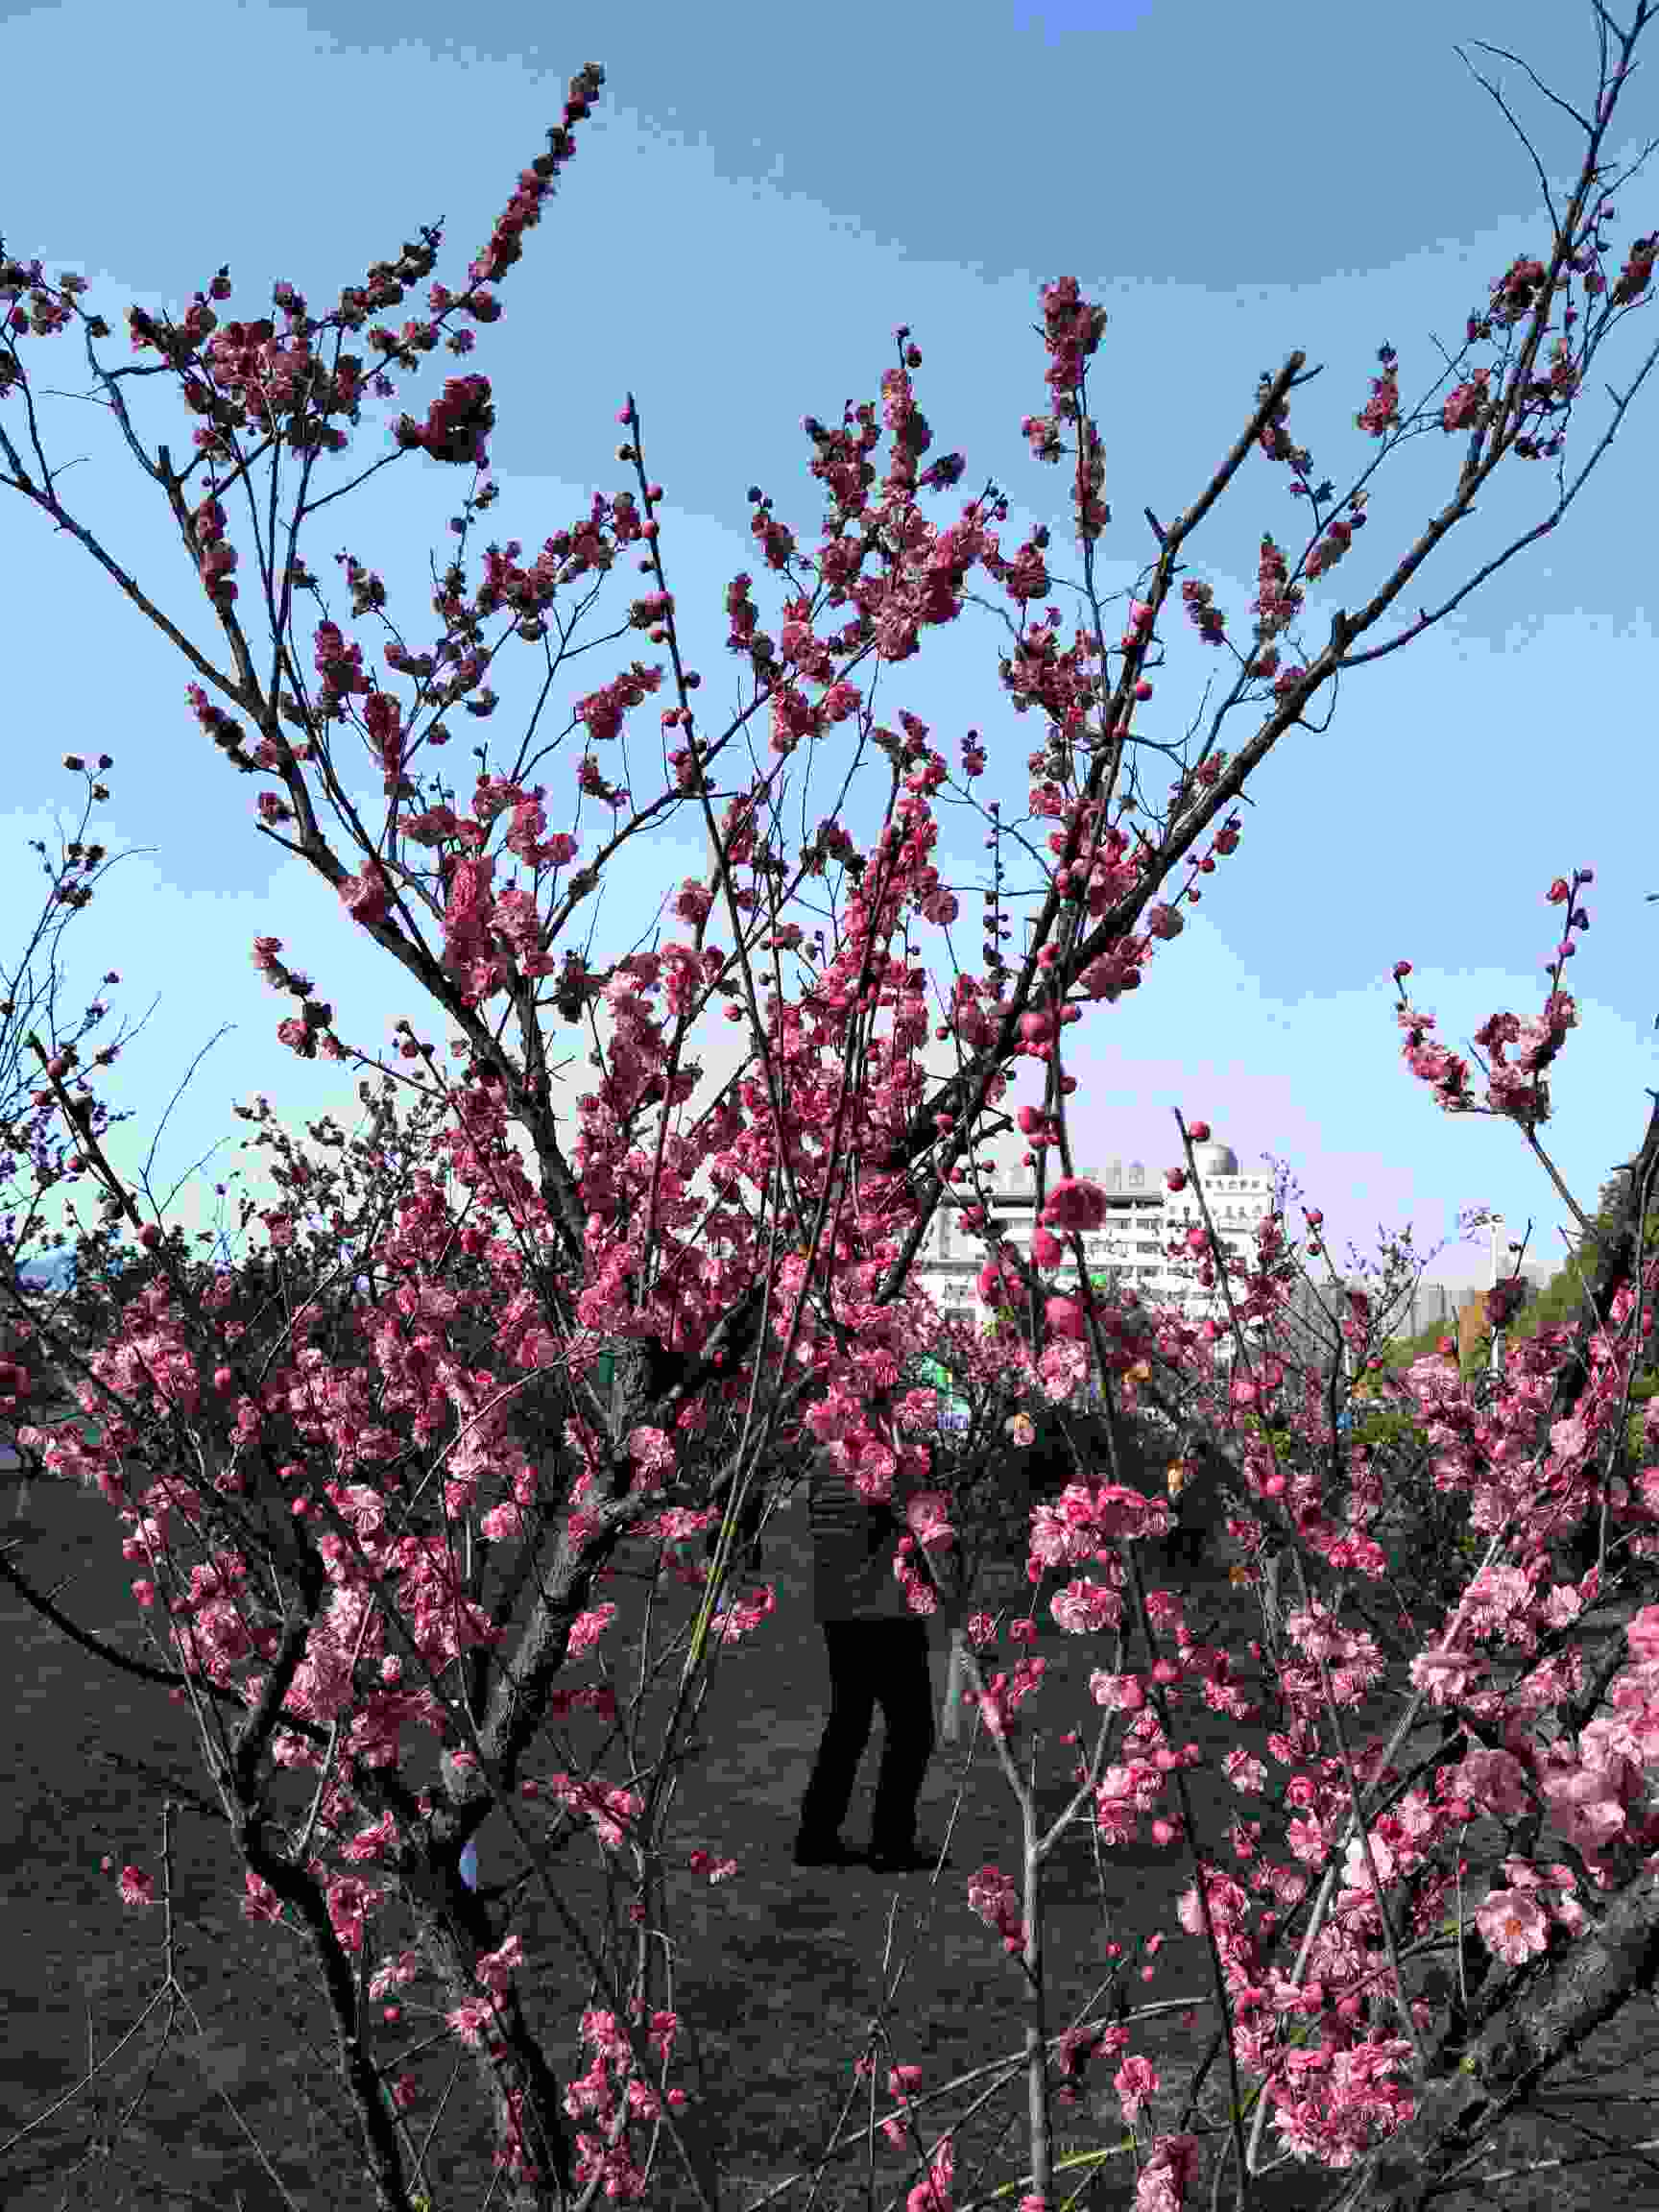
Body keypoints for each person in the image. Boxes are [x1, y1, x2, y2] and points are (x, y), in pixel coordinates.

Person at [794, 1444, 962, 1874]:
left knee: (848, 1723)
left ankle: (816, 1835)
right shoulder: (886, 1458)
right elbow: (920, 1525)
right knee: (911, 1729)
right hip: (885, 1610)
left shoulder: (824, 1464)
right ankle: (890, 1842)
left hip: (839, 1607)